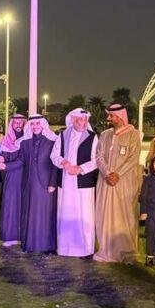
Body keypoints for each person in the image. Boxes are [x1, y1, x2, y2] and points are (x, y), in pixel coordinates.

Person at [94, 103, 143, 263]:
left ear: (121, 117)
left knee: (125, 216)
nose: (108, 118)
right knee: (104, 214)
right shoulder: (104, 135)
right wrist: (108, 173)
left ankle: (125, 252)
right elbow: (99, 156)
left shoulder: (134, 135)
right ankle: (106, 250)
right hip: (106, 182)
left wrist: (117, 174)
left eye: (111, 116)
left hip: (124, 183)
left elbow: (133, 158)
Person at [4, 114, 58, 254]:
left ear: (43, 125)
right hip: (29, 184)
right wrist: (5, 166)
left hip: (46, 184)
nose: (35, 127)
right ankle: (30, 244)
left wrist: (53, 183)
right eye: (32, 124)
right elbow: (21, 160)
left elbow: (55, 164)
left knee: (45, 214)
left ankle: (47, 245)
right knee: (29, 214)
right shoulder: (25, 142)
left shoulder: (52, 141)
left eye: (38, 124)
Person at [52, 108, 98, 258]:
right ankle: (65, 248)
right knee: (66, 213)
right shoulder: (62, 135)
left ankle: (86, 249)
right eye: (80, 119)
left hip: (83, 182)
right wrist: (64, 163)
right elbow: (54, 155)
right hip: (66, 181)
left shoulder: (92, 137)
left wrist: (80, 169)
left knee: (85, 215)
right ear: (72, 120)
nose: (83, 122)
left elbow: (96, 160)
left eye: (85, 120)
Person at [0, 114, 26, 247]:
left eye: (21, 122)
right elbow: (3, 155)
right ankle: (10, 236)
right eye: (15, 122)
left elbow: (22, 160)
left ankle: (23, 236)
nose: (18, 125)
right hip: (11, 178)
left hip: (25, 176)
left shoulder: (27, 139)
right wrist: (1, 159)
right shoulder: (6, 140)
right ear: (11, 124)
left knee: (24, 206)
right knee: (10, 205)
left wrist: (6, 166)